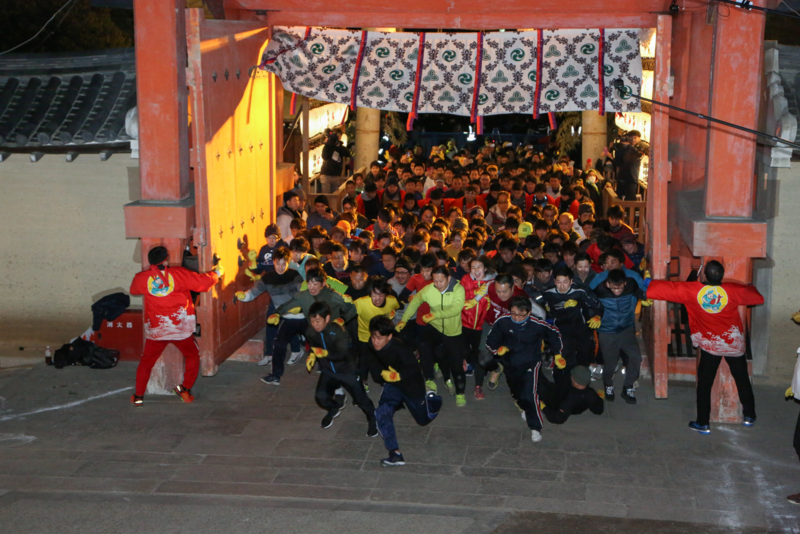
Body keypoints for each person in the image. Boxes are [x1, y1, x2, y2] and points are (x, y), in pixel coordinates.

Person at [646, 260, 763, 433]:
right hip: (733, 343)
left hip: (711, 345)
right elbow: (757, 297)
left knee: (705, 384)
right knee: (742, 379)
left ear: (704, 275)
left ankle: (703, 422)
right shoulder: (732, 290)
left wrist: (649, 282)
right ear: (721, 275)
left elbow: (659, 290)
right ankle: (749, 415)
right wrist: (749, 286)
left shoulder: (692, 290)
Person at [130, 246, 223, 406]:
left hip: (157, 330)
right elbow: (202, 282)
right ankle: (184, 389)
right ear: (166, 260)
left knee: (146, 363)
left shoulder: (142, 278)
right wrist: (218, 273)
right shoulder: (179, 273)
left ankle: (138, 397)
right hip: (180, 329)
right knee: (192, 356)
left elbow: (134, 290)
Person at [485, 295, 563, 443]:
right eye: (513, 313)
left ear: (528, 313)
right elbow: (490, 340)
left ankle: (535, 427)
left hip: (530, 363)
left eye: (521, 315)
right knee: (517, 392)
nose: (517, 318)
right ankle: (524, 406)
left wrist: (558, 355)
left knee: (530, 394)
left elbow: (554, 334)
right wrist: (497, 349)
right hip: (509, 363)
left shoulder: (537, 324)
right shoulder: (503, 321)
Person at [367, 316, 443, 467]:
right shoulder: (371, 345)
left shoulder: (400, 348)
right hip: (392, 386)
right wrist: (382, 375)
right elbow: (373, 367)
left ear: (389, 337)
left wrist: (398, 376)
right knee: (382, 413)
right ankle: (395, 453)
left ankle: (433, 400)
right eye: (373, 337)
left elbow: (414, 369)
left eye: (379, 338)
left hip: (411, 386)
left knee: (423, 420)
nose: (375, 341)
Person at [261, 268, 356, 386]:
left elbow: (351, 309)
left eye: (315, 284)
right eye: (309, 283)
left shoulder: (333, 296)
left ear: (323, 283)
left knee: (339, 366)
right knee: (280, 342)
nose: (312, 287)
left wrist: (343, 319)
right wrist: (277, 313)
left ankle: (348, 383)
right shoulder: (303, 296)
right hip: (314, 330)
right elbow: (287, 305)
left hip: (332, 334)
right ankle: (276, 375)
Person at [397, 266, 468, 406]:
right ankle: (429, 379)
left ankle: (460, 393)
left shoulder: (458, 289)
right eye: (435, 281)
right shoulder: (429, 289)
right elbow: (415, 301)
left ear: (448, 278)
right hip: (435, 326)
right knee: (423, 343)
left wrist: (435, 315)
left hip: (452, 331)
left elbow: (456, 309)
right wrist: (404, 320)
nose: (437, 284)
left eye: (441, 281)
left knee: (456, 365)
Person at [304, 301, 377, 435]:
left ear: (327, 318)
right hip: (328, 370)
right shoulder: (310, 331)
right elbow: (313, 346)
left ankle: (373, 419)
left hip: (346, 369)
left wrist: (325, 354)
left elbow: (343, 353)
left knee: (361, 400)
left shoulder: (338, 331)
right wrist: (312, 356)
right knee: (320, 397)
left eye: (318, 321)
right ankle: (334, 408)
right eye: (312, 321)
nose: (315, 324)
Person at [235, 247, 303, 367]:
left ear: (288, 263)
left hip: (293, 308)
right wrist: (244, 296)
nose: (280, 267)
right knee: (270, 326)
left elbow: (301, 288)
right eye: (278, 263)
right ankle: (269, 354)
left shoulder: (294, 274)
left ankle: (297, 351)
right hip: (277, 307)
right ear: (274, 262)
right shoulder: (267, 277)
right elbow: (255, 291)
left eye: (284, 264)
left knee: (290, 328)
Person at [591, 269, 650, 404]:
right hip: (607, 332)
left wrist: (645, 296)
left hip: (626, 329)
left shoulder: (631, 284)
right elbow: (587, 301)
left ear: (625, 283)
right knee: (610, 364)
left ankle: (628, 387)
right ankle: (608, 384)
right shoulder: (599, 289)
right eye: (613, 287)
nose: (617, 291)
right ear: (607, 284)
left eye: (620, 288)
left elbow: (641, 292)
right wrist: (594, 315)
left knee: (636, 358)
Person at [541, 266, 603, 390]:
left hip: (581, 329)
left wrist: (597, 316)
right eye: (558, 282)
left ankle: (581, 383)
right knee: (564, 359)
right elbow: (540, 311)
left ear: (571, 281)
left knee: (584, 357)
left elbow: (597, 305)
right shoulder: (548, 293)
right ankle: (563, 385)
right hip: (561, 330)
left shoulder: (581, 290)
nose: (562, 286)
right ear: (554, 281)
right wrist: (546, 329)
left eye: (565, 282)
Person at [539, 366, 604, 425]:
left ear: (576, 383)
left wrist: (543, 407)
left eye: (572, 376)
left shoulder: (571, 398)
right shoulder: (590, 393)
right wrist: (599, 398)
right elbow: (599, 410)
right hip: (570, 401)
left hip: (556, 401)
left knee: (541, 384)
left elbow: (558, 418)